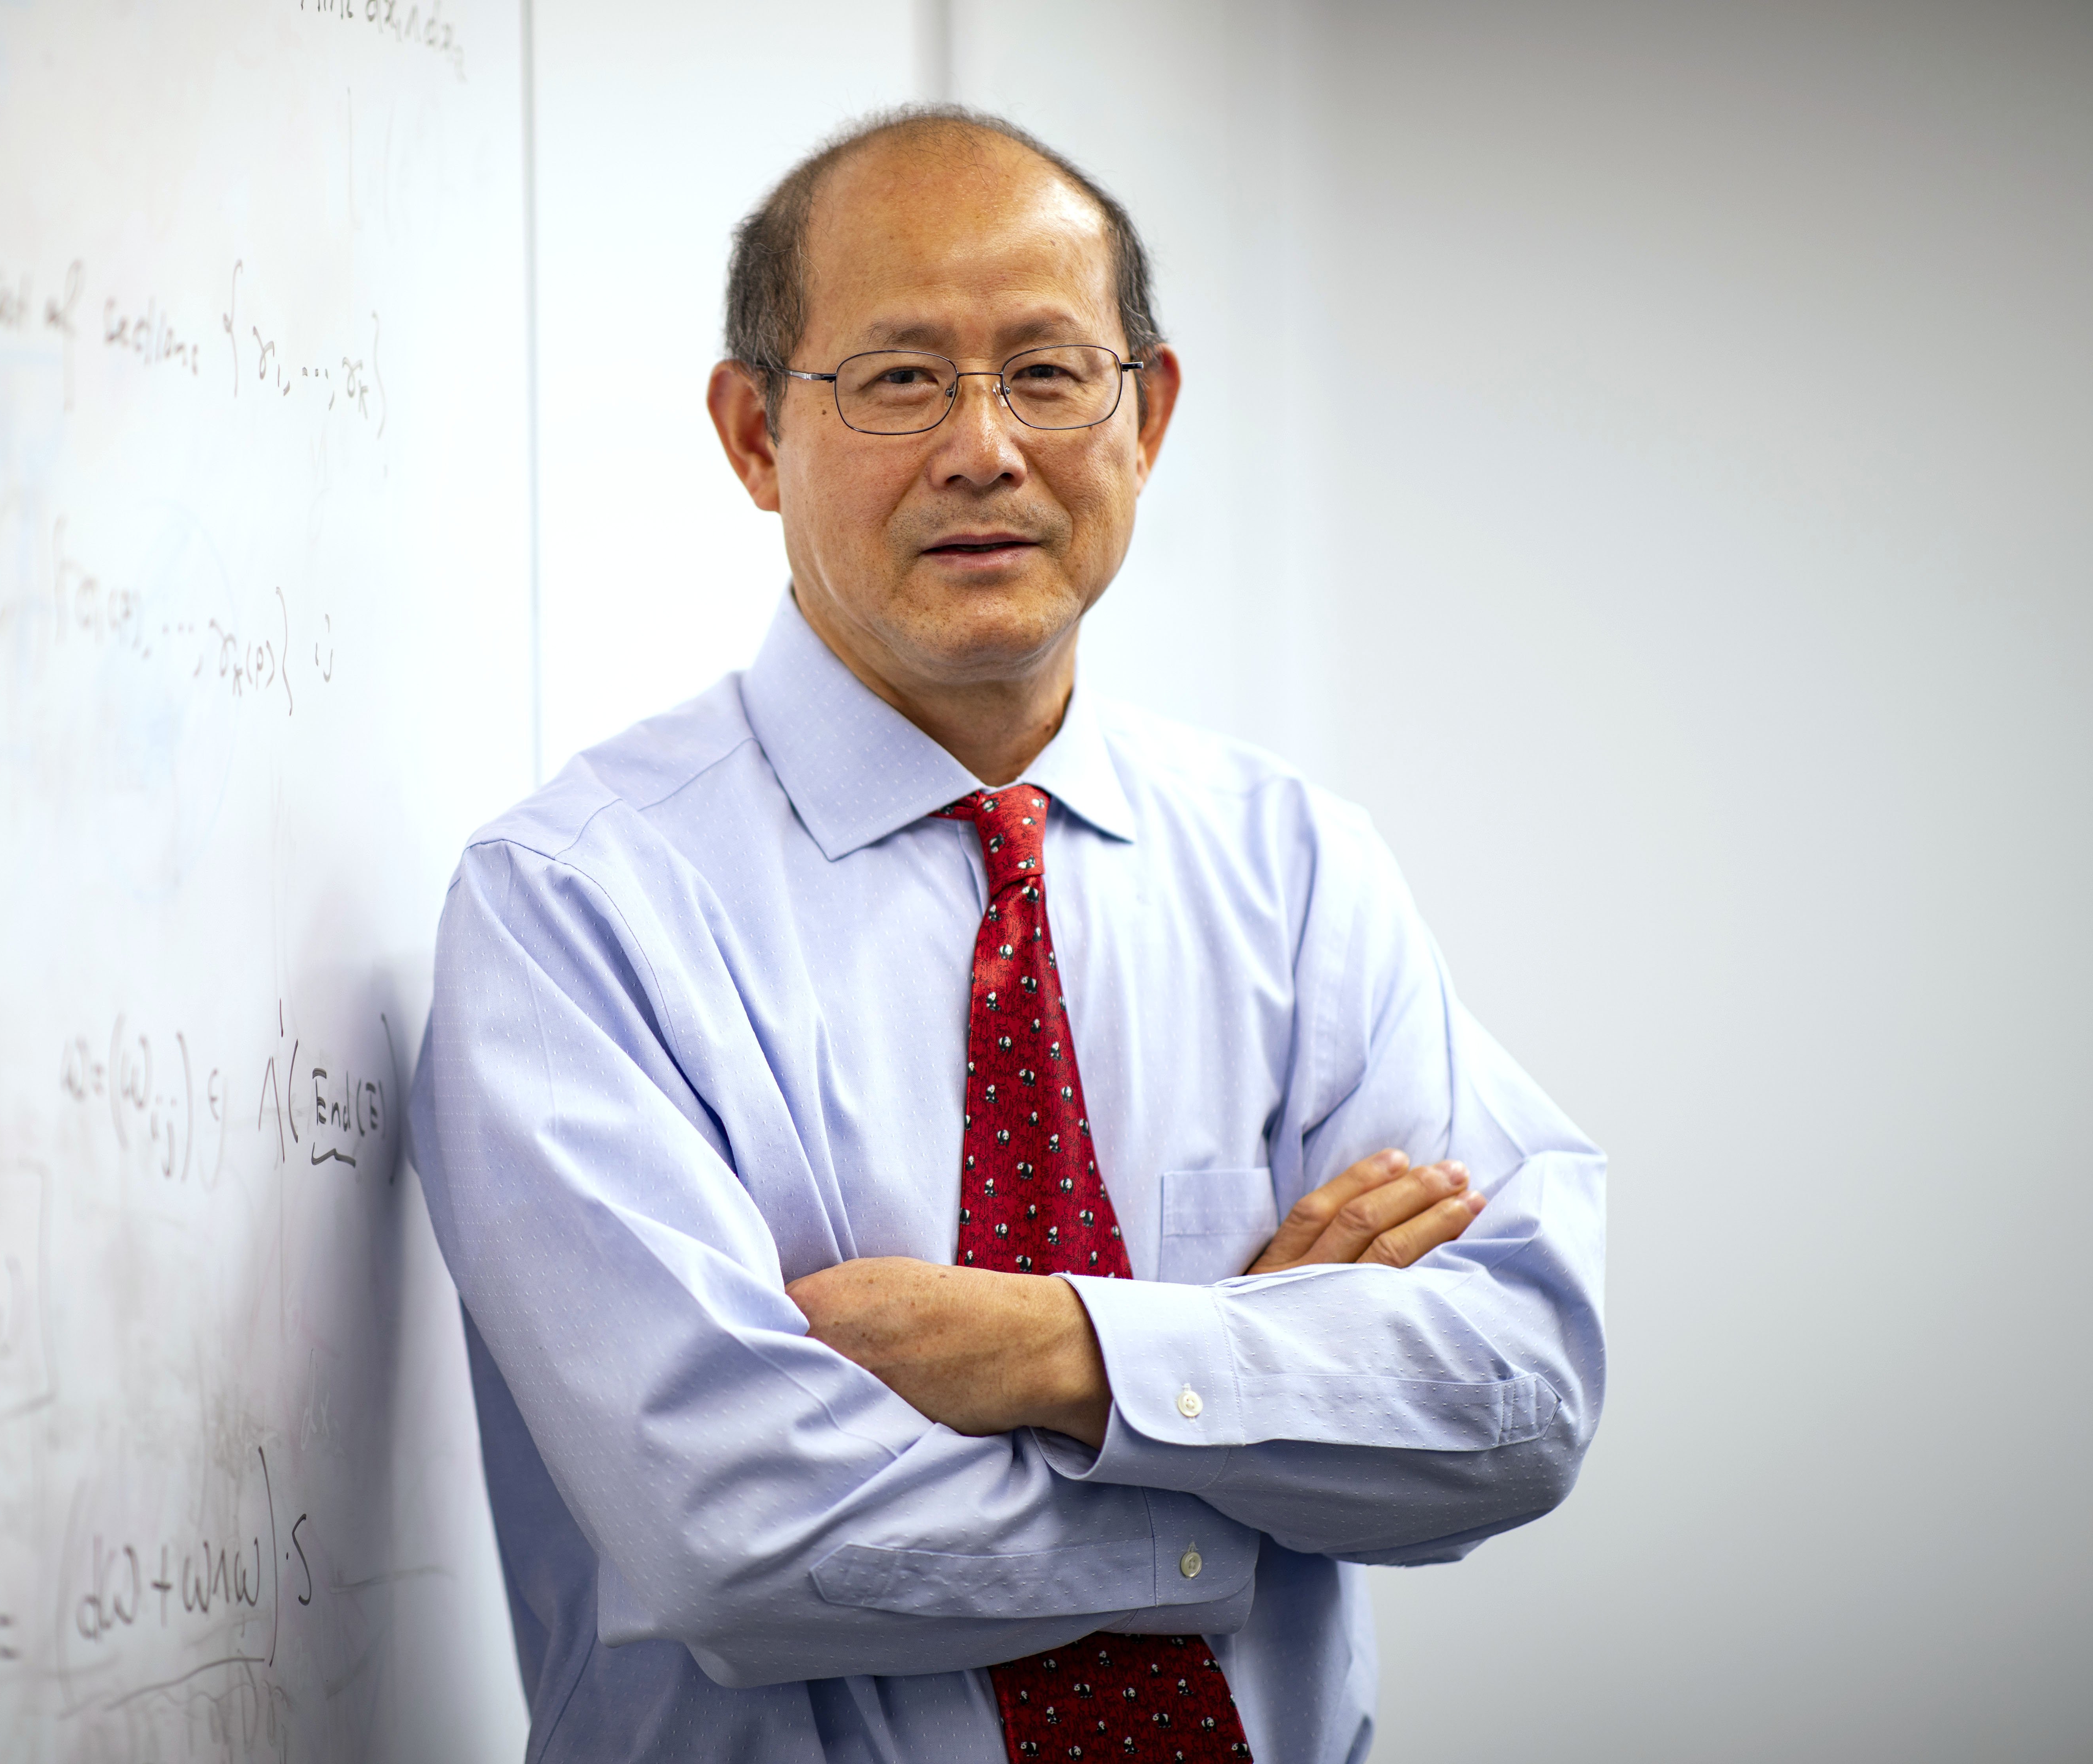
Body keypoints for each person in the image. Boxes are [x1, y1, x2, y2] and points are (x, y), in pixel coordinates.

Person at [409, 105, 1605, 1764]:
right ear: (755, 435)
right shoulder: (576, 910)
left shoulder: (1296, 871)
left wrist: (1051, 1347)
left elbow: (1517, 1392)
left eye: (1048, 372)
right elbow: (745, 1533)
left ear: (1149, 412)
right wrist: (1254, 1432)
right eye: (900, 379)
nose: (985, 446)